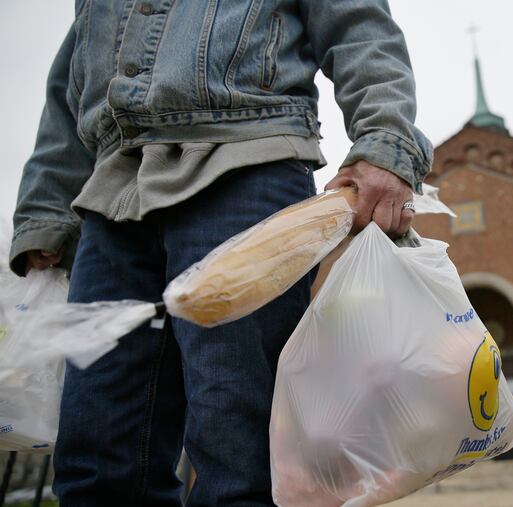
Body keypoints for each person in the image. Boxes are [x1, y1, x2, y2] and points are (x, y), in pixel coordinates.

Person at [10, 1, 432, 506]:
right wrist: (45, 209)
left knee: (237, 441)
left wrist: (386, 141)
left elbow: (359, 25)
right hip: (113, 193)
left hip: (244, 165)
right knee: (96, 459)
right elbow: (73, 76)